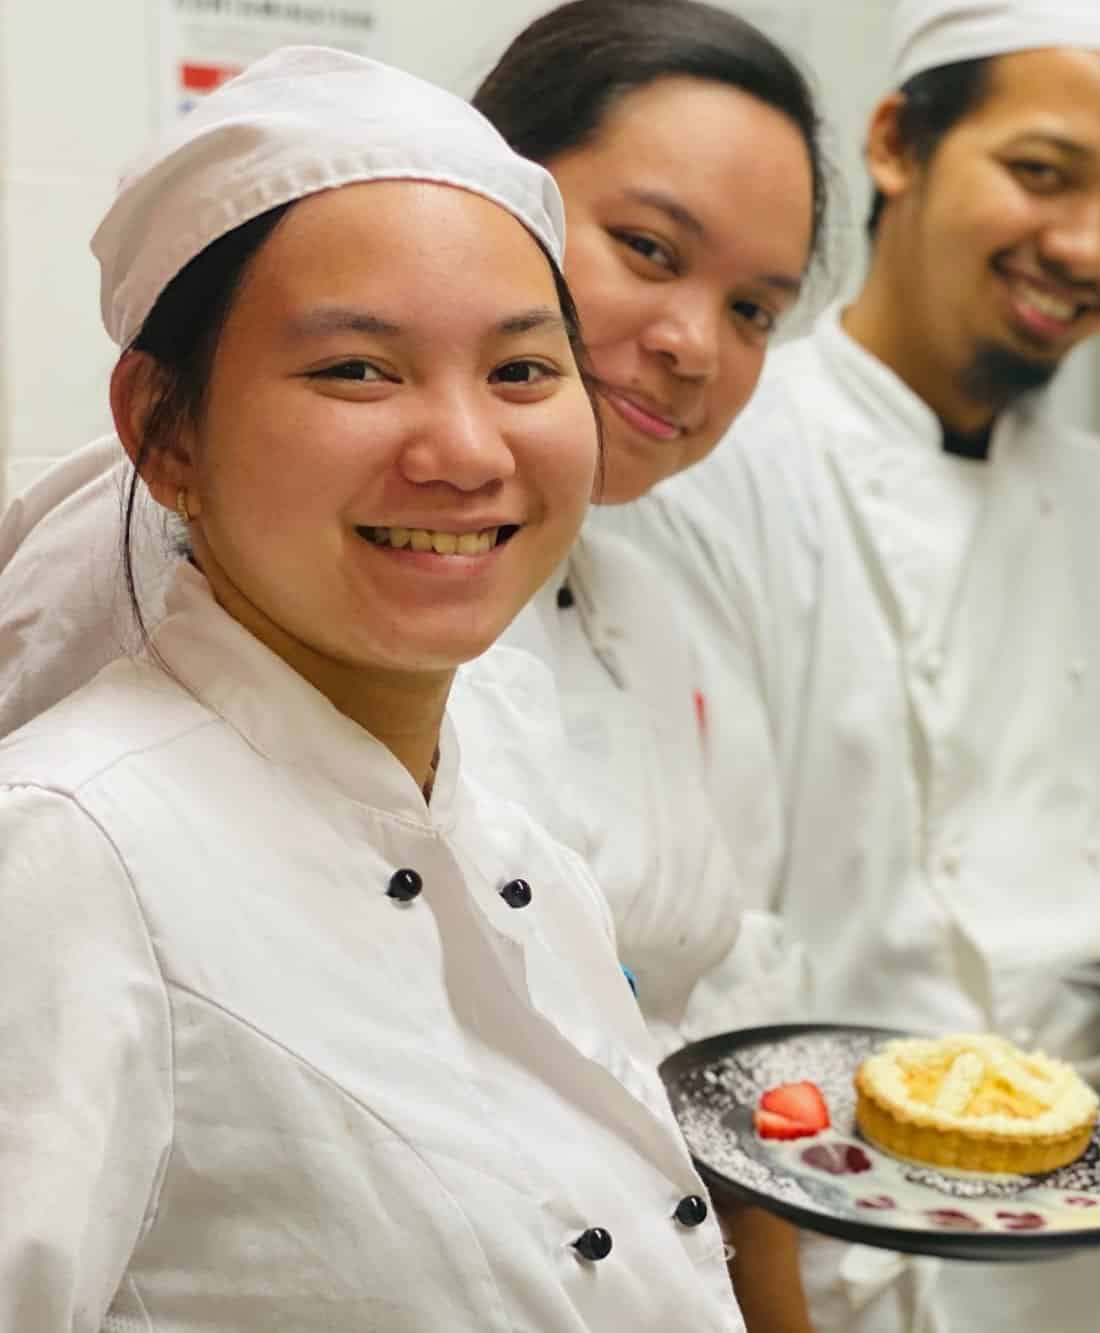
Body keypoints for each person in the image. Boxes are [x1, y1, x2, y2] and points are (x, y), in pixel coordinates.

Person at [0, 47, 743, 1331]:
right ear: (164, 430)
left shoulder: (503, 798)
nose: (465, 450)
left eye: (522, 371)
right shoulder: (67, 860)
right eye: (357, 369)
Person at [598, 0, 1100, 1326]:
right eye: (1041, 173)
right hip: (837, 1255)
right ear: (896, 143)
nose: (1085, 247)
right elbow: (692, 950)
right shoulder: (716, 458)